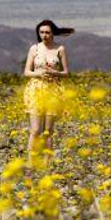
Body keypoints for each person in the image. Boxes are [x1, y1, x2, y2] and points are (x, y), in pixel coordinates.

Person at [23, 19, 73, 158]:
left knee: (48, 131)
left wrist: (54, 73)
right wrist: (38, 73)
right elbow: (26, 71)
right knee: (35, 130)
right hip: (36, 89)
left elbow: (66, 73)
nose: (44, 35)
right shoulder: (34, 48)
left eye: (47, 32)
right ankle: (31, 161)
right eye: (41, 32)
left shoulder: (60, 49)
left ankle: (47, 164)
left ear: (52, 34)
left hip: (53, 90)